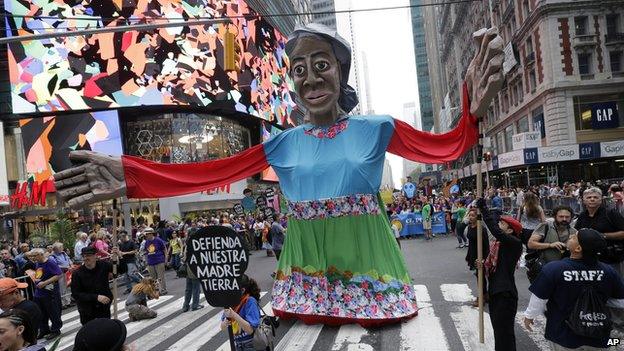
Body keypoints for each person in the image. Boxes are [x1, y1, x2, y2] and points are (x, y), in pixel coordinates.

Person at [53, 23, 504, 326]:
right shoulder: (282, 142)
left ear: (341, 72)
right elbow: (205, 172)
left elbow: (446, 146)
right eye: (300, 70)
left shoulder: (376, 128)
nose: (310, 79)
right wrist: (130, 172)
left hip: (372, 278)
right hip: (305, 283)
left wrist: (473, 110)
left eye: (321, 65)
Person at [523, 228, 624, 350]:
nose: (571, 236)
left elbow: (539, 298)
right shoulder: (609, 271)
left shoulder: (554, 269)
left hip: (563, 336)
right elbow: (620, 302)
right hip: (599, 337)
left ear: (578, 249)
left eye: (575, 237)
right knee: (609, 344)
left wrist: (529, 316)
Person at [574, 186, 624, 334]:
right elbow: (576, 234)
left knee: (615, 290)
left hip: (611, 258)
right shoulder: (582, 216)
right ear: (583, 200)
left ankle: (618, 323)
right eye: (589, 197)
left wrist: (603, 236)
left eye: (595, 197)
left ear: (601, 199)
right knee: (596, 290)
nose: (592, 199)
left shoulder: (611, 213)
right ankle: (600, 318)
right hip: (590, 261)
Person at [476, 198, 523, 351]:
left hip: (505, 294)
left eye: (502, 224)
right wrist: (482, 265)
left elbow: (494, 230)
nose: (498, 226)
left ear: (510, 231)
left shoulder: (514, 244)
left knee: (505, 332)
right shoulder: (498, 245)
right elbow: (494, 265)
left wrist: (483, 209)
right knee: (499, 331)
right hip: (496, 291)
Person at [71, 247, 114, 325]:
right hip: (87, 310)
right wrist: (96, 297)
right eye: (84, 256)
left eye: (88, 255)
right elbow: (76, 294)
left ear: (95, 256)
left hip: (103, 307)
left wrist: (119, 257)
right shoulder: (77, 273)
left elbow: (120, 270)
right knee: (91, 334)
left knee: (106, 330)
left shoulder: (104, 265)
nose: (85, 258)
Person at [220, 275, 262, 351]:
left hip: (251, 343)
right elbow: (222, 327)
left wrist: (234, 315)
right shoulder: (231, 302)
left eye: (233, 290)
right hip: (237, 343)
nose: (230, 293)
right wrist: (225, 323)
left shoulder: (250, 301)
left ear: (242, 290)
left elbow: (250, 330)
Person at [28, 249, 62, 340]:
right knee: (41, 312)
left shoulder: (50, 262)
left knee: (53, 311)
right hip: (39, 292)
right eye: (32, 256)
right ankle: (44, 329)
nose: (33, 258)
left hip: (50, 292)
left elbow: (58, 275)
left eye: (35, 256)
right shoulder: (37, 264)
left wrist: (45, 283)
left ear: (41, 254)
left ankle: (56, 330)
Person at [464, 208, 490, 307]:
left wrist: (484, 258)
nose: (470, 217)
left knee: (481, 277)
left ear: (477, 217)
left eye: (473, 215)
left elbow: (486, 245)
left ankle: (482, 297)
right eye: (469, 215)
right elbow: (471, 243)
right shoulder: (470, 227)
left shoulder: (481, 229)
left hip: (481, 255)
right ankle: (485, 294)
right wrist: (468, 256)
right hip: (473, 254)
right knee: (479, 276)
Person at [142, 228, 168, 295]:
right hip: (151, 262)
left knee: (160, 276)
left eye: (147, 234)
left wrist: (166, 259)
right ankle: (156, 290)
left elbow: (164, 249)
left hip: (159, 260)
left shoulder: (158, 240)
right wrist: (146, 261)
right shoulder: (146, 242)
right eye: (146, 235)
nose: (146, 236)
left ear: (151, 234)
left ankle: (163, 289)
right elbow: (146, 252)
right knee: (153, 278)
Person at [50, 243, 72, 308]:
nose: (62, 248)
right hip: (60, 274)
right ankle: (62, 304)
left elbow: (68, 259)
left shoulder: (63, 253)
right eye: (61, 247)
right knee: (61, 289)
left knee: (68, 287)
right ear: (56, 249)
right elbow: (55, 265)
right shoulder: (52, 256)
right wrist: (65, 267)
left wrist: (71, 265)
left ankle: (68, 302)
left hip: (67, 272)